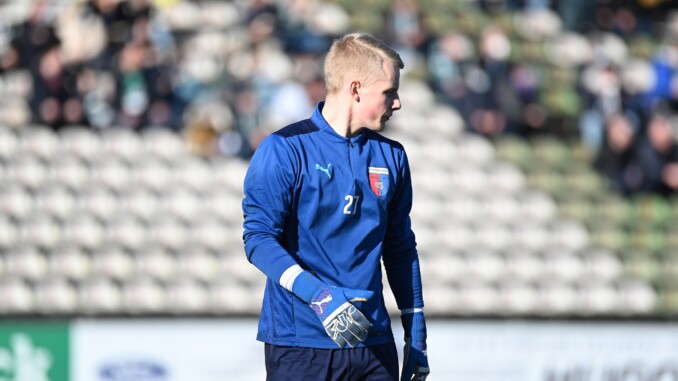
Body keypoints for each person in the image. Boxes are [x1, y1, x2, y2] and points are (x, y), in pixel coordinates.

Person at [242, 33, 430, 381]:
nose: (398, 102)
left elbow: (400, 248)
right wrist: (320, 298)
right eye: (390, 92)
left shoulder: (392, 156)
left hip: (373, 344)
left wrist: (415, 332)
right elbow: (258, 240)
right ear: (356, 89)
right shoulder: (284, 149)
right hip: (301, 346)